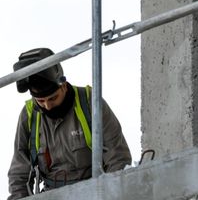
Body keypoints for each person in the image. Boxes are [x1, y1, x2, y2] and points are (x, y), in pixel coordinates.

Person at [8, 48, 132, 197]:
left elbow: (117, 156)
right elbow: (19, 172)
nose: (47, 106)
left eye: (53, 98)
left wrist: (113, 194)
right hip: (52, 195)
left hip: (93, 192)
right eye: (41, 101)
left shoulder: (90, 101)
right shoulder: (29, 116)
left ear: (64, 85)